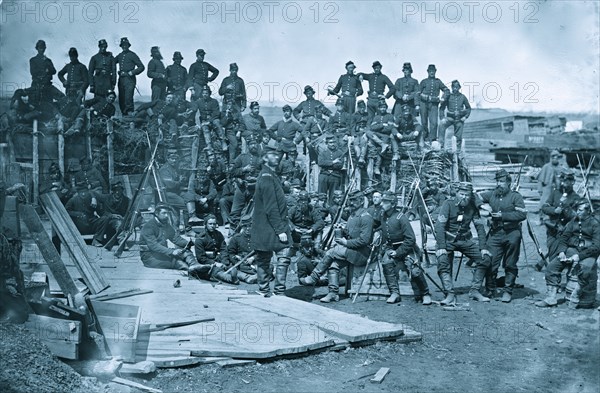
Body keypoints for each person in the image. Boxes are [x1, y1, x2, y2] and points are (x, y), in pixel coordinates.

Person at [300, 190, 374, 303]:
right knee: (333, 265)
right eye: (351, 200)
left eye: (354, 200)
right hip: (352, 251)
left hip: (361, 253)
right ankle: (333, 293)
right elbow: (351, 233)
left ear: (360, 201)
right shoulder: (353, 215)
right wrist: (342, 230)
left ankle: (313, 277)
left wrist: (346, 243)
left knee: (331, 252)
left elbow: (364, 240)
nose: (351, 203)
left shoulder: (366, 217)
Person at [535, 199, 599, 309]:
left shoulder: (595, 224)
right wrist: (561, 252)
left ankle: (577, 293)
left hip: (588, 253)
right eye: (577, 210)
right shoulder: (573, 222)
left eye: (580, 210)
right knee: (551, 267)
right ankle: (551, 297)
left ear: (588, 211)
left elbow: (596, 246)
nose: (577, 212)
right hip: (572, 249)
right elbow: (564, 238)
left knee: (584, 270)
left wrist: (579, 257)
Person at [435, 182, 491, 303]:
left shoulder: (472, 206)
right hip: (447, 240)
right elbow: (439, 226)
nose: (464, 197)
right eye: (461, 194)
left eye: (467, 195)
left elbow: (479, 227)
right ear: (456, 193)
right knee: (443, 261)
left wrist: (483, 247)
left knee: (485, 259)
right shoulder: (448, 204)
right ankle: (449, 293)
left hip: (465, 240)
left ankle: (475, 291)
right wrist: (441, 247)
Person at [478, 169, 527, 302]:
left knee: (510, 263)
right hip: (495, 233)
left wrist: (503, 216)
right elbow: (475, 197)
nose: (499, 184)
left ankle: (507, 291)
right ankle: (490, 289)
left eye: (502, 181)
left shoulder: (515, 197)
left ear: (509, 183)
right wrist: (481, 207)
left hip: (512, 234)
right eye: (498, 181)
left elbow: (522, 214)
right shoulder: (492, 194)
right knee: (490, 262)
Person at [250, 143, 292, 297]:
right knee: (281, 254)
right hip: (270, 226)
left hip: (267, 226)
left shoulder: (270, 175)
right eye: (273, 154)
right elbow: (271, 207)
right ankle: (273, 291)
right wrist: (280, 230)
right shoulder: (267, 177)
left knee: (265, 257)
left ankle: (266, 290)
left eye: (278, 154)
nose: (277, 156)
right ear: (265, 158)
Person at [378, 191, 432, 305]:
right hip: (391, 248)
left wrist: (398, 253)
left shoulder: (401, 218)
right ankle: (394, 293)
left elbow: (411, 239)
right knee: (386, 263)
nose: (381, 204)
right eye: (382, 201)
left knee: (414, 269)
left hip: (407, 248)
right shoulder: (383, 216)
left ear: (392, 204)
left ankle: (425, 294)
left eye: (385, 202)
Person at [139, 203, 200, 271]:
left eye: (168, 213)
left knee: (186, 253)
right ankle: (195, 270)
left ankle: (196, 267)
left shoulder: (165, 224)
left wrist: (190, 243)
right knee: (180, 263)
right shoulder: (149, 226)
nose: (166, 216)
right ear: (156, 213)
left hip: (162, 254)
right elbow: (153, 246)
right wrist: (171, 252)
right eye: (164, 213)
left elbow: (175, 238)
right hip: (150, 257)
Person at [540, 170, 580, 262]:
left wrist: (565, 207)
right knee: (551, 250)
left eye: (566, 181)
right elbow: (544, 207)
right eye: (562, 181)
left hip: (565, 232)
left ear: (572, 182)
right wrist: (554, 210)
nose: (563, 183)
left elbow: (575, 217)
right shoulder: (556, 193)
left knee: (561, 254)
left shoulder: (576, 197)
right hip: (552, 229)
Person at [193, 215, 242, 283]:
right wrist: (215, 263)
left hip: (219, 259)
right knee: (216, 272)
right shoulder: (200, 238)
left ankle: (247, 278)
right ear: (205, 224)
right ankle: (231, 279)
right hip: (208, 263)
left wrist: (224, 261)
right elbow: (201, 258)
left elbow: (223, 249)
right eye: (210, 224)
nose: (212, 226)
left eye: (214, 224)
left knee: (231, 267)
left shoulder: (218, 235)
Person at [419, 64, 449, 143]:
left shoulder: (438, 81)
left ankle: (432, 140)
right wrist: (418, 103)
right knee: (424, 122)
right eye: (430, 71)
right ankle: (425, 138)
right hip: (423, 104)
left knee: (434, 123)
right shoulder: (423, 81)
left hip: (434, 105)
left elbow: (446, 90)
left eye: (433, 71)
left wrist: (443, 98)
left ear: (435, 72)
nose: (431, 73)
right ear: (427, 72)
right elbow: (417, 93)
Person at [115, 37, 145, 115]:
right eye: (123, 45)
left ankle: (130, 117)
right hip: (121, 80)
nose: (124, 47)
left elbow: (141, 67)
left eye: (126, 45)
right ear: (121, 46)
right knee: (121, 99)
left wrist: (132, 72)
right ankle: (124, 116)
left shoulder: (132, 55)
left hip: (129, 80)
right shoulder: (120, 55)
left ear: (128, 45)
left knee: (128, 98)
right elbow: (112, 62)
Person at [438, 80, 471, 150]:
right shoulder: (448, 96)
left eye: (456, 87)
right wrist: (442, 118)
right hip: (450, 118)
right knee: (441, 124)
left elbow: (468, 108)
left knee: (458, 137)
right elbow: (442, 108)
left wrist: (465, 117)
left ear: (459, 87)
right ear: (452, 87)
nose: (455, 88)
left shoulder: (463, 97)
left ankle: (457, 150)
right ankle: (440, 145)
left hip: (459, 119)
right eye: (453, 87)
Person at [29, 39, 63, 106]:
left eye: (43, 48)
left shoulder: (48, 60)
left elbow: (54, 71)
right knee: (34, 105)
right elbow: (33, 72)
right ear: (37, 48)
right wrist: (45, 70)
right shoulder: (33, 60)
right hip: (36, 86)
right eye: (40, 48)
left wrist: (48, 69)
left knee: (48, 105)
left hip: (47, 86)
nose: (42, 50)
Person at [318, 135, 346, 203]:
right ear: (327, 144)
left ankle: (331, 210)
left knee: (334, 196)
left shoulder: (340, 153)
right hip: (324, 175)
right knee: (321, 195)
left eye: (334, 142)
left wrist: (327, 164)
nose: (332, 144)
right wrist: (333, 162)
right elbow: (320, 162)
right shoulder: (323, 152)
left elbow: (340, 165)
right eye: (330, 142)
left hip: (335, 175)